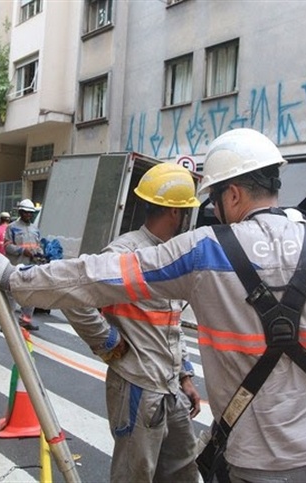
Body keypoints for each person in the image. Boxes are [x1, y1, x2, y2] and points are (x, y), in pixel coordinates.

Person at [0, 128, 306, 480]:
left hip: (262, 463)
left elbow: (97, 276)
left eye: (214, 200)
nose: (212, 211)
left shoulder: (204, 252)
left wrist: (13, 278)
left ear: (233, 193)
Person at [62, 163, 202, 483]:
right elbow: (74, 298)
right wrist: (109, 342)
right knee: (134, 475)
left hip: (169, 386)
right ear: (175, 212)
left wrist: (185, 376)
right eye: (185, 211)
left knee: (184, 470)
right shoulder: (125, 252)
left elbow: (170, 323)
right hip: (137, 386)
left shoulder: (169, 252)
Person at [4, 199, 44, 331]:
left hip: (31, 266)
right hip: (16, 266)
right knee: (11, 295)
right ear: (20, 212)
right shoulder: (12, 227)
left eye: (30, 213)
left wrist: (40, 254)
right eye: (26, 212)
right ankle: (8, 323)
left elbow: (38, 246)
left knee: (31, 293)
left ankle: (25, 321)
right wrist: (22, 250)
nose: (28, 215)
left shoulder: (35, 229)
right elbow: (7, 246)